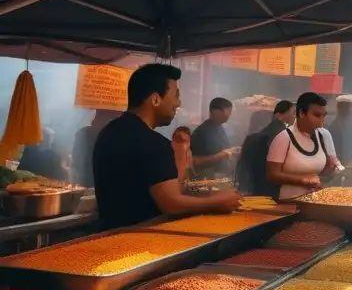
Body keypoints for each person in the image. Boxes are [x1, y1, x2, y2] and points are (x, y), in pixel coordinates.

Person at [92, 63, 240, 229]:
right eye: (175, 95)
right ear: (155, 99)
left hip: (109, 235)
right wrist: (217, 201)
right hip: (142, 241)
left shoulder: (109, 132)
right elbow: (172, 204)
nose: (178, 103)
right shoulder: (153, 143)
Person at [266, 92, 342, 200]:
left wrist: (331, 168)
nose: (321, 121)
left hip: (317, 200)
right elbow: (272, 175)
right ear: (301, 113)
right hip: (290, 203)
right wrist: (303, 180)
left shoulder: (323, 135)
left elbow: (323, 171)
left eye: (323, 116)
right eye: (316, 115)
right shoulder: (284, 138)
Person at [237, 100, 294, 196]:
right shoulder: (284, 136)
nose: (294, 116)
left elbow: (243, 167)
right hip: (276, 189)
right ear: (278, 115)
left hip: (255, 187)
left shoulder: (252, 137)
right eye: (293, 113)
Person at [190, 98, 238, 179]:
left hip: (221, 177)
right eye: (227, 112)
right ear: (215, 111)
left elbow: (224, 150)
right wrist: (221, 155)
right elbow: (194, 161)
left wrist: (232, 151)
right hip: (206, 179)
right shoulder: (201, 132)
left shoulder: (220, 128)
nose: (229, 115)